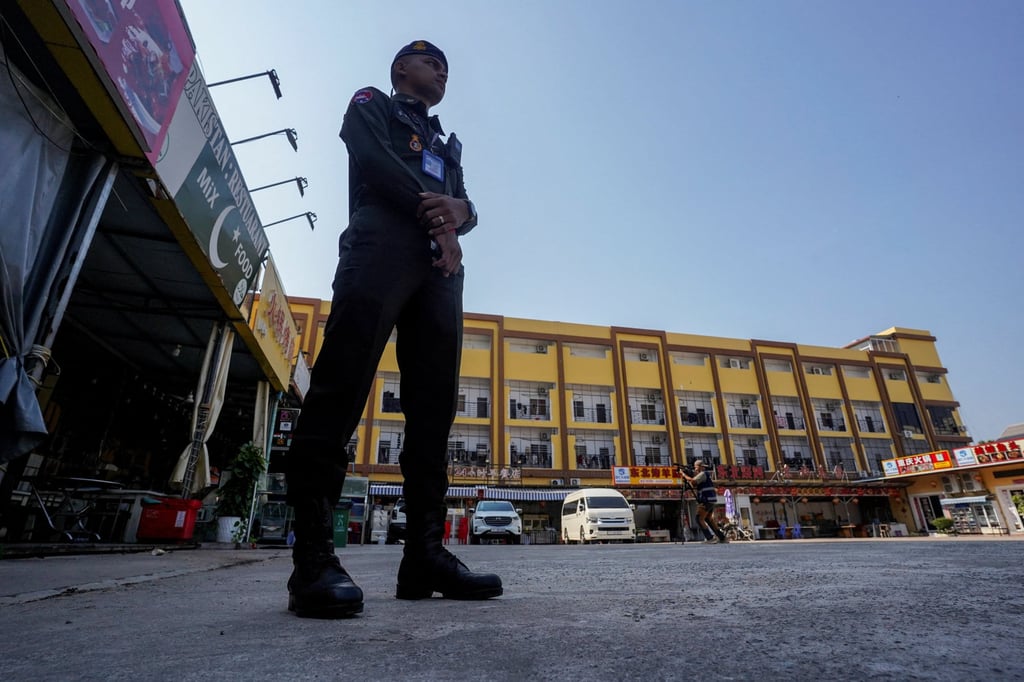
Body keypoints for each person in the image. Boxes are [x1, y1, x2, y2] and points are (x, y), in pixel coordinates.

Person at [284, 40, 501, 618]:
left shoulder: (445, 143)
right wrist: (442, 217)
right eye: (433, 61)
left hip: (440, 267)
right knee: (342, 383)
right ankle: (311, 560)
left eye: (448, 68)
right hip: (382, 245)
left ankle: (424, 557)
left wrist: (464, 215)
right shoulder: (372, 103)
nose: (443, 71)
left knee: (434, 408)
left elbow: (462, 204)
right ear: (402, 67)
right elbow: (373, 161)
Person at [679, 460, 727, 544]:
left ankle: (710, 538)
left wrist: (684, 475)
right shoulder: (705, 474)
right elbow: (693, 483)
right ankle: (722, 537)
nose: (695, 469)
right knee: (708, 519)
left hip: (706, 500)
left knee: (699, 519)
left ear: (701, 466)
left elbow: (693, 482)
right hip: (711, 500)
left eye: (696, 467)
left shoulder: (703, 474)